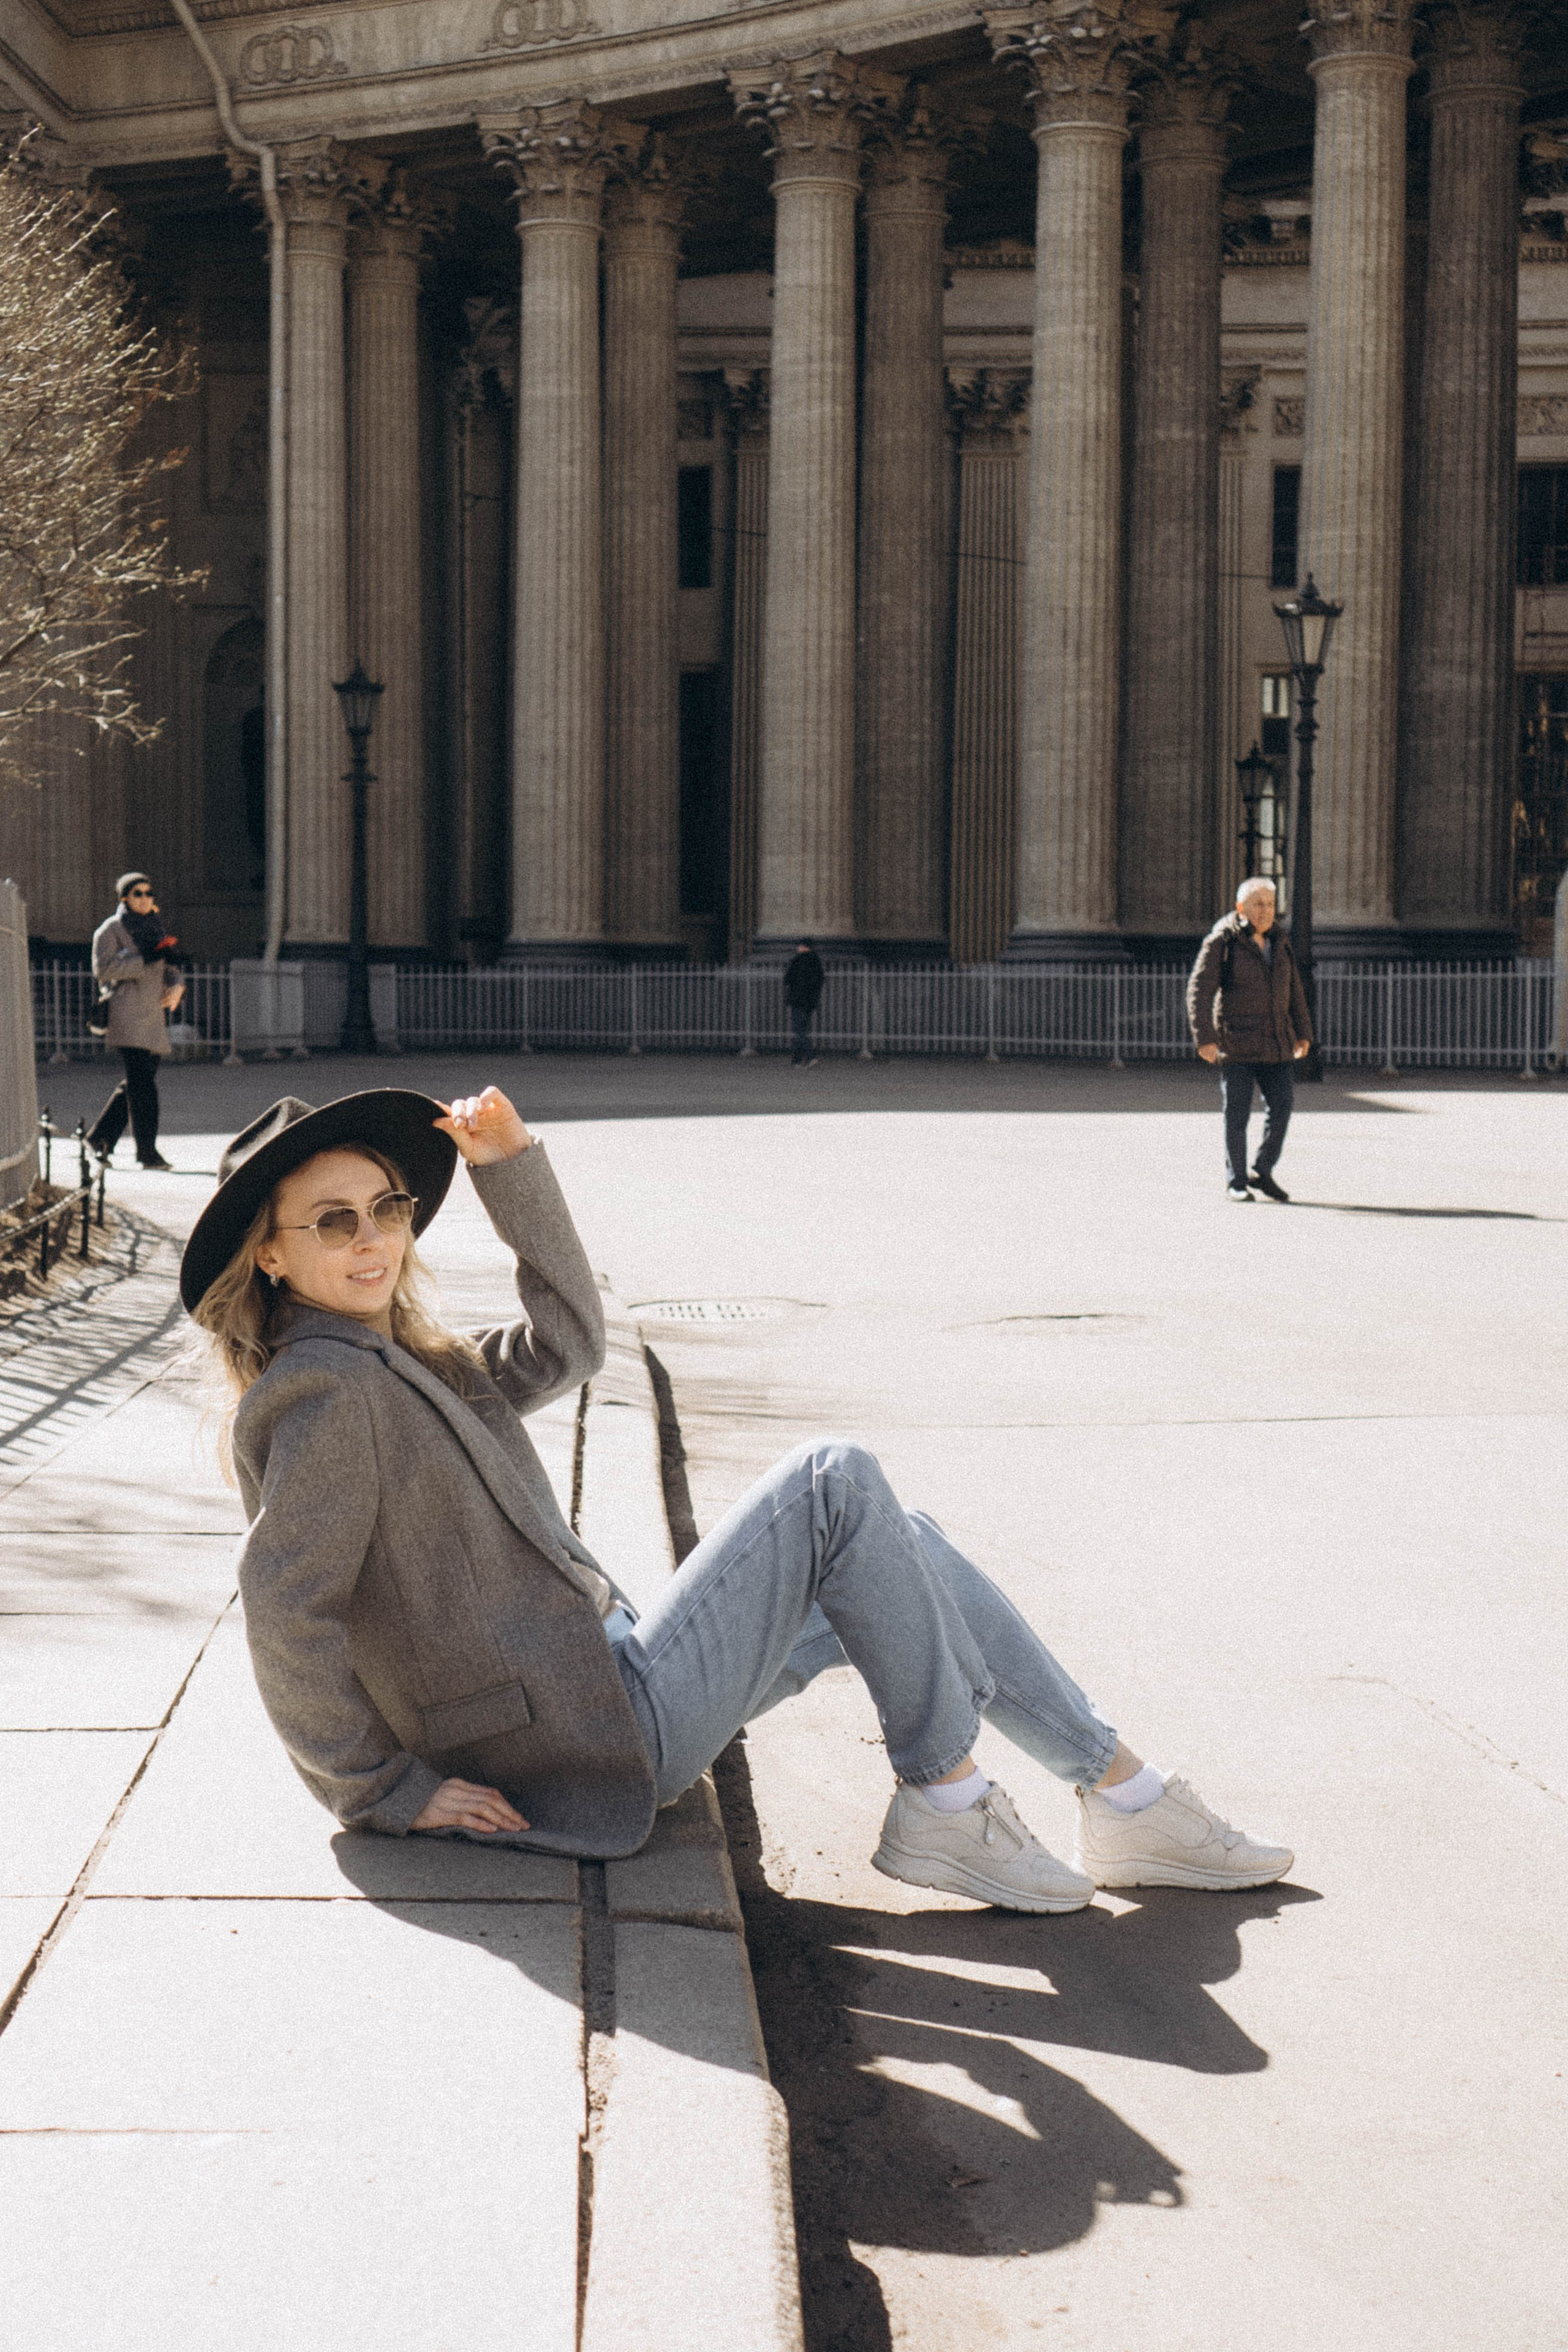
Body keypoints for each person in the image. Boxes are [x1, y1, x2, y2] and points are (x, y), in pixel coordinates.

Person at [183, 1082, 1294, 1911]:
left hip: (605, 1682)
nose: (372, 1238)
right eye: (333, 1222)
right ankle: (948, 1802)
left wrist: (510, 1168)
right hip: (586, 1733)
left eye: (383, 1207)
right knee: (833, 1481)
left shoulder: (405, 1360)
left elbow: (569, 1345)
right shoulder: (324, 1392)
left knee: (901, 1542)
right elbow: (286, 1606)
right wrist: (380, 1786)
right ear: (270, 1258)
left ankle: (1128, 1798)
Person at [1187, 878, 1312, 1203]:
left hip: (1277, 1041)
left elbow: (1295, 991)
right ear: (1241, 908)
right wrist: (1205, 1038)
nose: (1265, 911)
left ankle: (1262, 1170)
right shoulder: (1223, 941)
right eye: (1258, 904)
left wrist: (1303, 1033)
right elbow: (1200, 990)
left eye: (1270, 905)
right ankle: (1237, 1181)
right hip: (1237, 1042)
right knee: (1236, 1115)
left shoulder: (1280, 941)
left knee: (1282, 1107)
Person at [85, 872, 184, 1172]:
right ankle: (147, 1153)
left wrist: (178, 985)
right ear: (124, 897)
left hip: (153, 1015)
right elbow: (103, 970)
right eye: (137, 893)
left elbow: (170, 966)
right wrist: (145, 960)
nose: (145, 898)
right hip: (126, 1015)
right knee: (144, 1087)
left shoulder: (155, 926)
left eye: (149, 893)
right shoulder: (111, 930)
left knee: (137, 1083)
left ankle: (100, 1139)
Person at [782, 941, 824, 1066]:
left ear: (804, 947)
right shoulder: (816, 961)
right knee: (803, 1029)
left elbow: (787, 979)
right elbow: (820, 979)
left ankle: (811, 1056)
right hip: (810, 1001)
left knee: (798, 1029)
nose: (798, 948)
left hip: (798, 1000)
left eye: (800, 946)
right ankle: (797, 1060)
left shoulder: (798, 961)